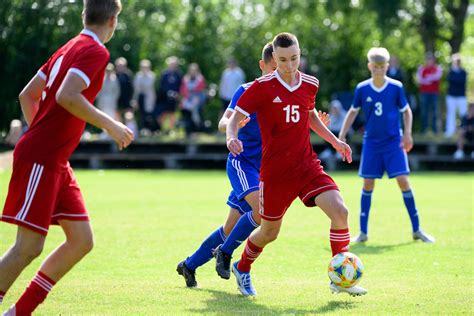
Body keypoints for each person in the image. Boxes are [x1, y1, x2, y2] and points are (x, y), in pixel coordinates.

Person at [0, 1, 134, 314]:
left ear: (84, 15)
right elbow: (66, 96)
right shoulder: (96, 51)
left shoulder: (68, 47)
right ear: (113, 20)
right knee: (28, 246)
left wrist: (47, 137)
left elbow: (27, 95)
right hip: (43, 157)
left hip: (54, 159)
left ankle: (19, 312)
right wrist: (111, 125)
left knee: (81, 241)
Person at [226, 32, 367, 297]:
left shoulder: (310, 84)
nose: (290, 66)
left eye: (294, 59)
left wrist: (335, 140)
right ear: (273, 59)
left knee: (340, 211)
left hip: (306, 166)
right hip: (276, 173)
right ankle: (242, 267)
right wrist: (232, 137)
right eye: (282, 60)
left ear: (300, 54)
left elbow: (310, 114)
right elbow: (234, 118)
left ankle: (340, 279)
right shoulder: (261, 87)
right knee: (269, 232)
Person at [176, 43, 276, 288]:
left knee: (229, 227)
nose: (279, 73)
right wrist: (233, 129)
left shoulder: (280, 96)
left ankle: (188, 266)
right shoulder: (246, 90)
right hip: (242, 164)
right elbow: (224, 122)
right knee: (262, 211)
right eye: (274, 67)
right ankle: (226, 252)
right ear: (262, 66)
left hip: (261, 170)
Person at [338, 47, 435, 245]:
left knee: (403, 181)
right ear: (369, 67)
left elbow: (407, 112)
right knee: (367, 184)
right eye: (375, 67)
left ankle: (417, 229)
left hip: (393, 142)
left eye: (382, 67)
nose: (379, 70)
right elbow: (353, 112)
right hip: (372, 143)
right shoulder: (362, 88)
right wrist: (341, 134)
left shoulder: (396, 87)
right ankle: (362, 232)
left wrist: (407, 134)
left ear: (387, 67)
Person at [416, 52, 442, 134]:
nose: (429, 61)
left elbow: (437, 76)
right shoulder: (422, 68)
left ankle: (435, 130)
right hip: (424, 92)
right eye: (428, 59)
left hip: (434, 93)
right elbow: (420, 79)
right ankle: (423, 129)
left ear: (433, 60)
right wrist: (430, 79)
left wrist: (427, 79)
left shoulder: (437, 68)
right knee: (424, 111)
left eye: (431, 59)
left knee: (435, 111)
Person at [179, 63, 206, 137]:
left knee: (196, 117)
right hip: (187, 101)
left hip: (196, 100)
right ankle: (188, 132)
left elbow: (201, 90)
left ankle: (196, 131)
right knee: (187, 117)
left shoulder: (200, 79)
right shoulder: (186, 78)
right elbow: (183, 90)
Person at [445, 53, 468, 138]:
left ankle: (464, 132)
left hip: (461, 96)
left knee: (463, 114)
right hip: (451, 96)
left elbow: (461, 81)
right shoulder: (450, 71)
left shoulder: (463, 72)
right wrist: (455, 80)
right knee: (451, 114)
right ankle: (449, 131)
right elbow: (450, 80)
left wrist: (455, 80)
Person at [157, 56, 182, 133]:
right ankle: (162, 129)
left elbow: (181, 85)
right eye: (171, 64)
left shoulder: (178, 74)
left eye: (174, 64)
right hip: (164, 98)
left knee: (172, 113)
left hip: (174, 98)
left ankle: (171, 129)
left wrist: (178, 94)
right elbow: (161, 86)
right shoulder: (164, 74)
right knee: (162, 113)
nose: (173, 66)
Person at [133, 59, 157, 134]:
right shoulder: (138, 76)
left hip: (149, 98)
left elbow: (149, 86)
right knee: (141, 114)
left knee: (149, 114)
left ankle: (150, 130)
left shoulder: (152, 76)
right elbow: (136, 89)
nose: (144, 68)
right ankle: (142, 130)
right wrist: (135, 100)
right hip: (140, 97)